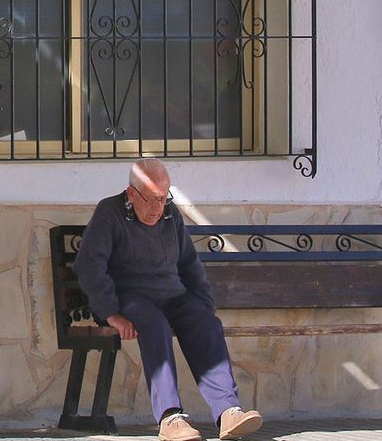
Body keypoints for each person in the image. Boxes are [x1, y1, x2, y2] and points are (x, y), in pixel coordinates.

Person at [73, 159, 262, 441]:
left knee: (206, 323)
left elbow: (189, 264)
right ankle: (170, 418)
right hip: (130, 298)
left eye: (163, 198)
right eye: (150, 199)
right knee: (154, 324)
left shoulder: (170, 214)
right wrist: (111, 312)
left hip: (172, 296)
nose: (157, 208)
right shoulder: (109, 212)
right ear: (131, 194)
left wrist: (204, 305)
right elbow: (89, 265)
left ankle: (228, 411)